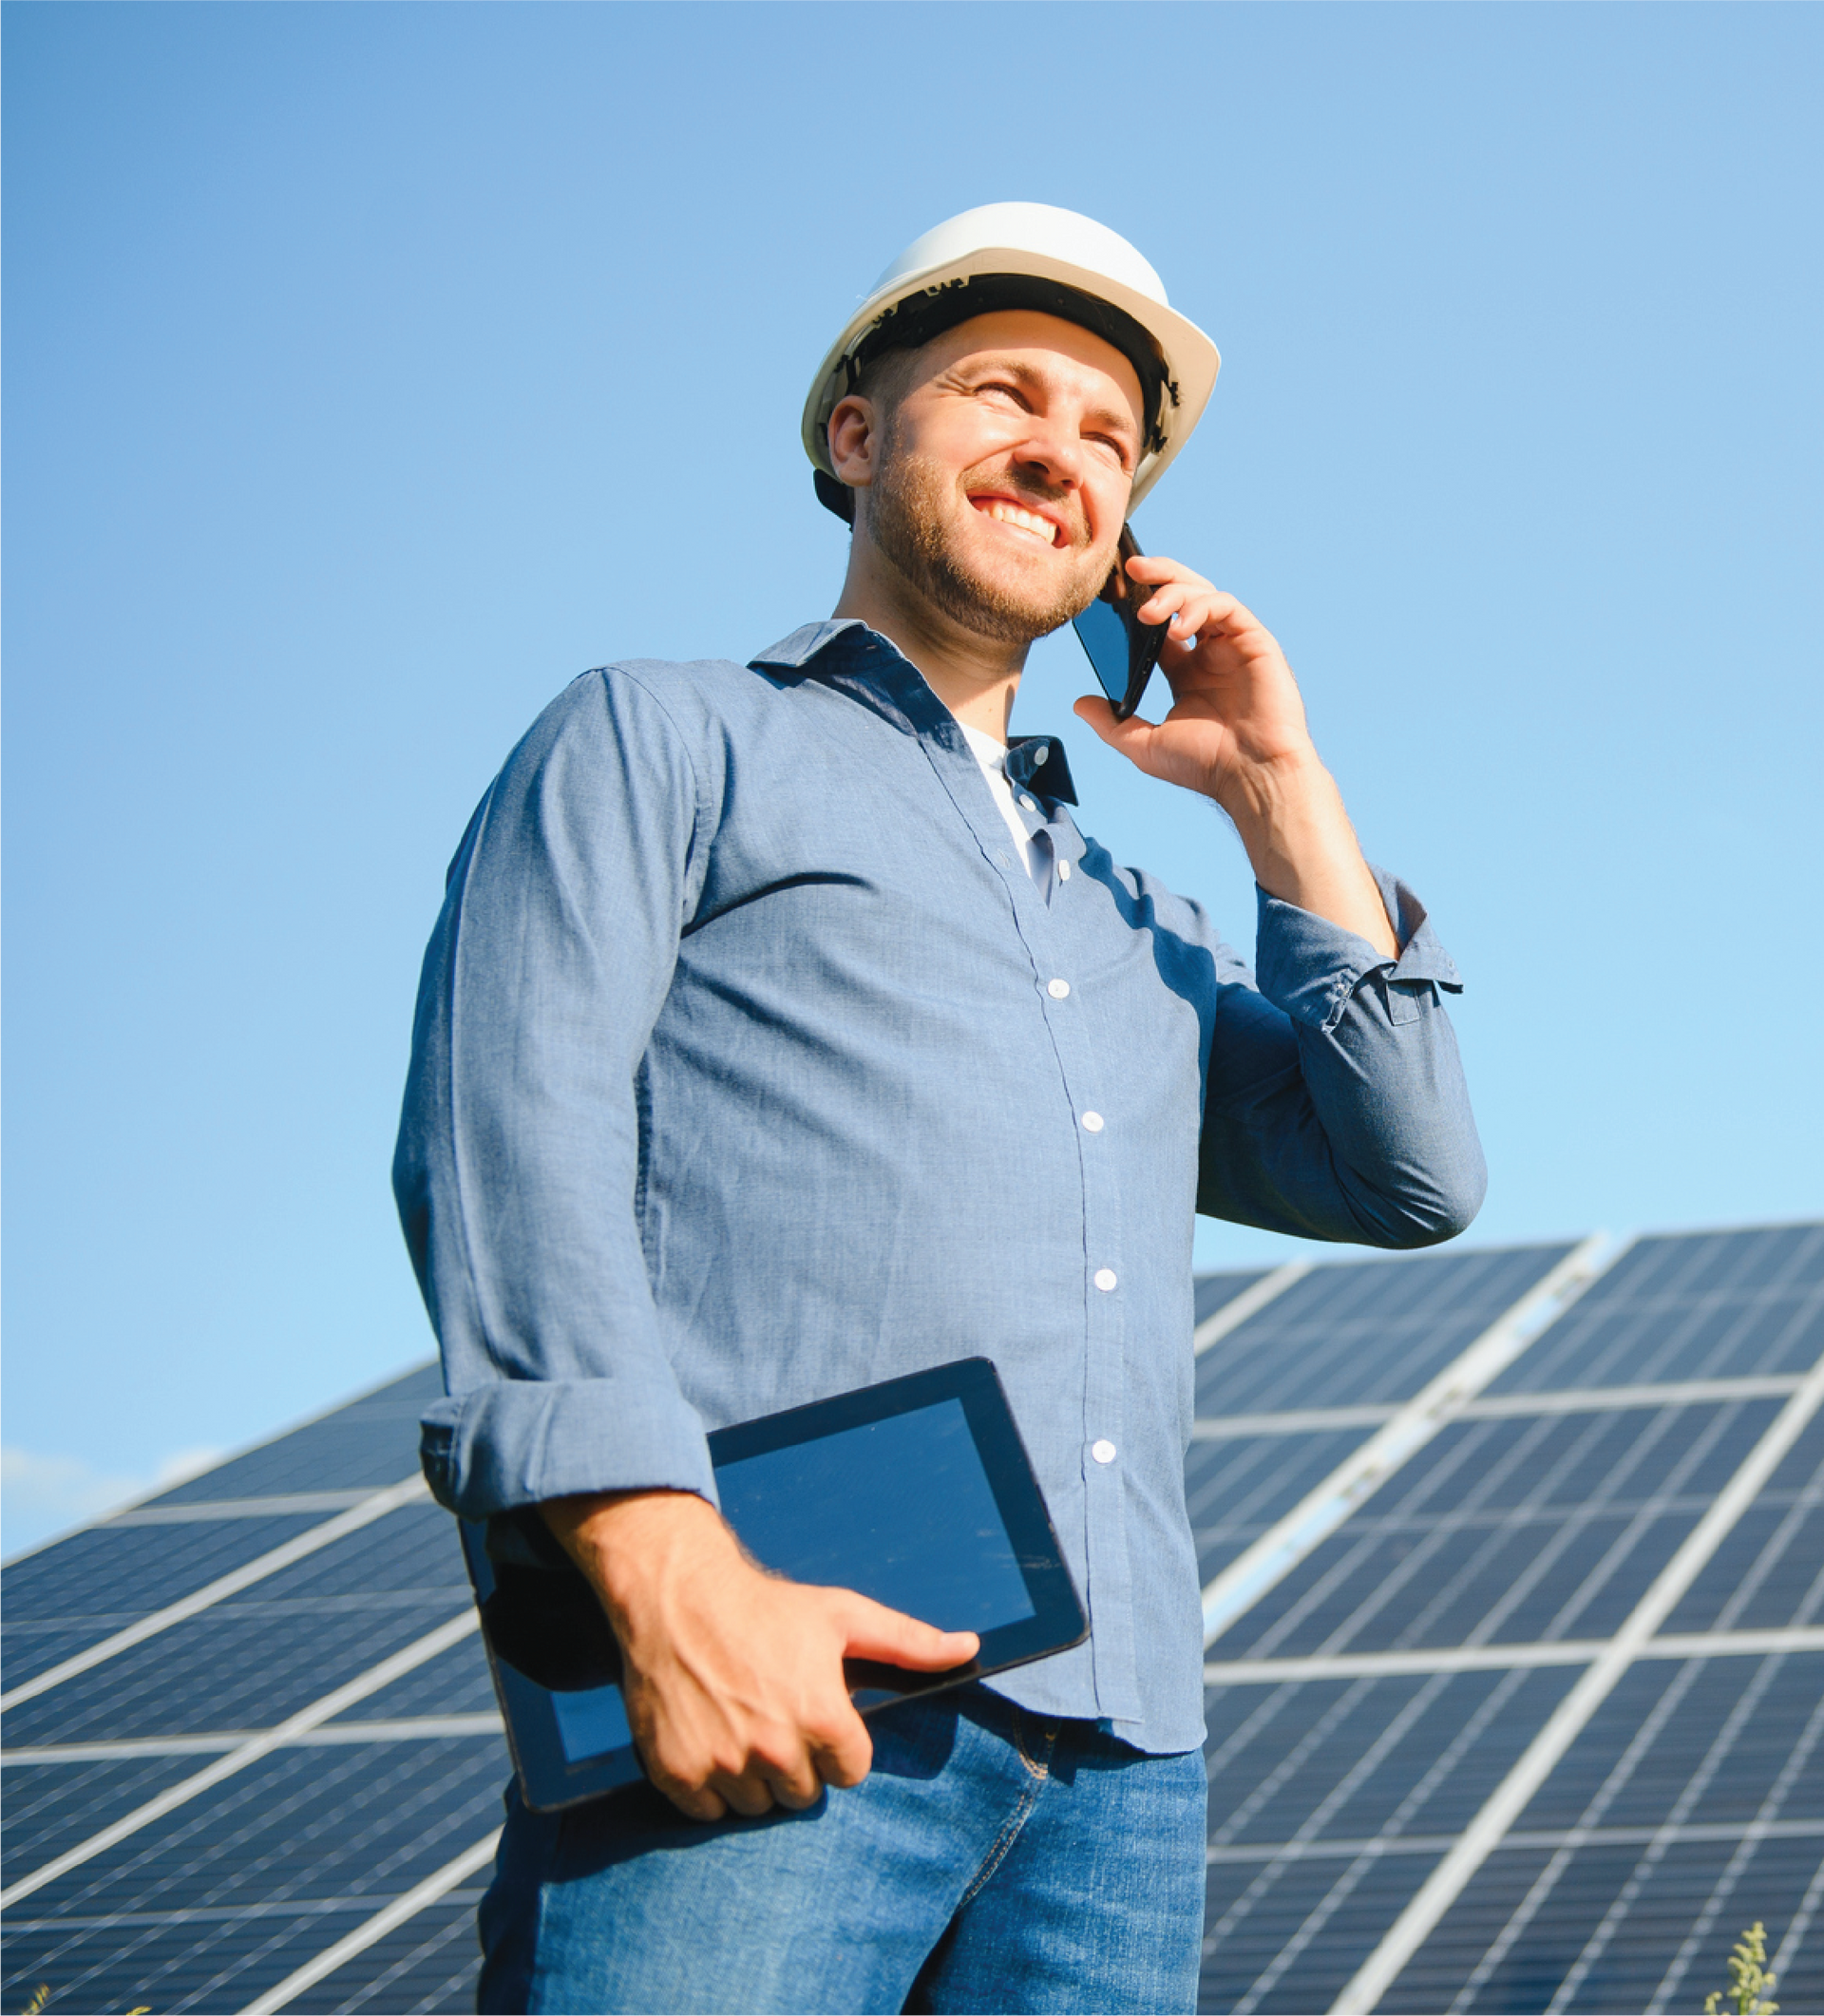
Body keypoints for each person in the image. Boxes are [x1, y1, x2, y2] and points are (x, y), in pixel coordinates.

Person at [393, 202, 1485, 2015]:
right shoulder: (659, 738)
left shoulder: (1143, 931)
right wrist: (658, 1571)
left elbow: (1413, 1171)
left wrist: (1282, 791)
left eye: (1111, 440)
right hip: (782, 1686)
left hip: (1122, 1777)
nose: (1060, 450)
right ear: (854, 432)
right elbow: (505, 1136)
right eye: (1002, 392)